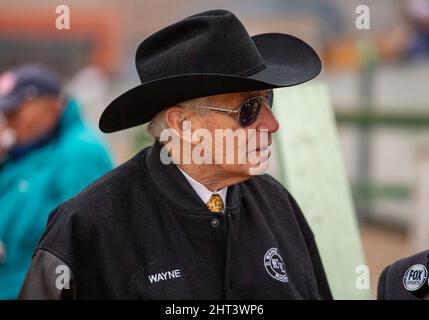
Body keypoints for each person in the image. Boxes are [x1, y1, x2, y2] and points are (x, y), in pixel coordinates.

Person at [19, 10, 332, 300]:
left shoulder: (279, 206)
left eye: (268, 100)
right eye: (248, 110)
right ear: (183, 124)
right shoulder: (87, 227)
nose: (272, 124)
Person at [0, 64, 113, 299]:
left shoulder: (80, 153)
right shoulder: (25, 150)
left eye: (15, 112)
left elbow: (81, 238)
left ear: (51, 106)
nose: (8, 122)